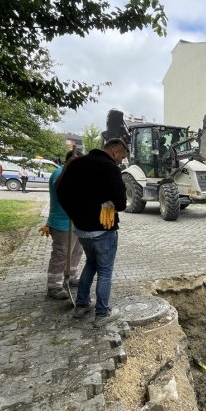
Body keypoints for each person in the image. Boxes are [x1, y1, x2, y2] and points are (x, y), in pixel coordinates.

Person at [57, 139, 128, 327]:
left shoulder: (77, 163)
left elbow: (61, 192)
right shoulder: (110, 168)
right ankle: (102, 313)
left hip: (82, 230)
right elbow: (121, 203)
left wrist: (76, 215)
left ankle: (81, 305)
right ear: (114, 151)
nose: (121, 161)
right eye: (122, 156)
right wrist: (108, 204)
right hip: (103, 231)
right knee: (105, 270)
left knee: (91, 263)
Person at [41, 150, 84, 300]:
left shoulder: (76, 173)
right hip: (62, 224)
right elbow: (63, 191)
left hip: (77, 223)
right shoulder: (59, 173)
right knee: (61, 255)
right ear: (70, 162)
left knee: (76, 252)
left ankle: (72, 276)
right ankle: (54, 286)